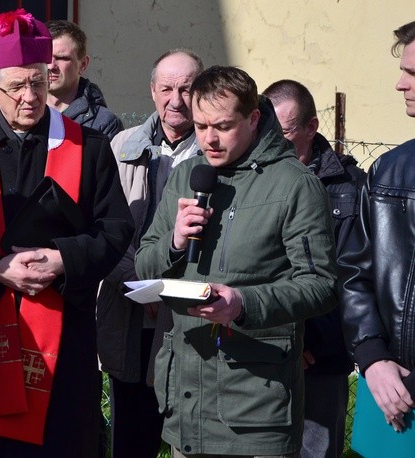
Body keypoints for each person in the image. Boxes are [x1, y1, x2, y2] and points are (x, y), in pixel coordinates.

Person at [0, 8, 133, 458]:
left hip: (64, 336)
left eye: (38, 81)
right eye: (17, 86)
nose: (31, 96)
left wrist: (62, 259)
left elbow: (115, 229)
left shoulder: (88, 148)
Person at [135, 65, 337, 457]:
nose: (208, 139)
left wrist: (243, 304)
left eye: (223, 127)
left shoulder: (295, 185)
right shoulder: (185, 178)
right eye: (200, 125)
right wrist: (175, 242)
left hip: (255, 408)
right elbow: (144, 266)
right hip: (188, 398)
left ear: (254, 118)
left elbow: (320, 285)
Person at [98, 49, 203, 458]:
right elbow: (105, 227)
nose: (176, 100)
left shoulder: (215, 151)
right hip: (129, 311)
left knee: (188, 435)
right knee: (132, 435)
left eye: (187, 89)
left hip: (190, 316)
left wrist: (172, 292)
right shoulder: (122, 145)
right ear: (152, 92)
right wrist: (139, 283)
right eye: (167, 89)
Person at [263, 79, 365, 458]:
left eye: (285, 132)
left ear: (312, 127)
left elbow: (352, 275)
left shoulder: (352, 187)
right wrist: (283, 333)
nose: (275, 142)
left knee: (317, 451)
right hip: (265, 343)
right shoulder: (251, 180)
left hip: (323, 352)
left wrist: (308, 338)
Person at [339, 21, 415, 450]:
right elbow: (354, 271)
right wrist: (372, 358)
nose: (399, 84)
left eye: (413, 74)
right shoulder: (388, 171)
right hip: (388, 394)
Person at [45, 20, 123, 140]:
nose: (51, 66)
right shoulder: (23, 115)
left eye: (62, 58)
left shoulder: (103, 124)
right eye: (45, 57)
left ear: (83, 65)